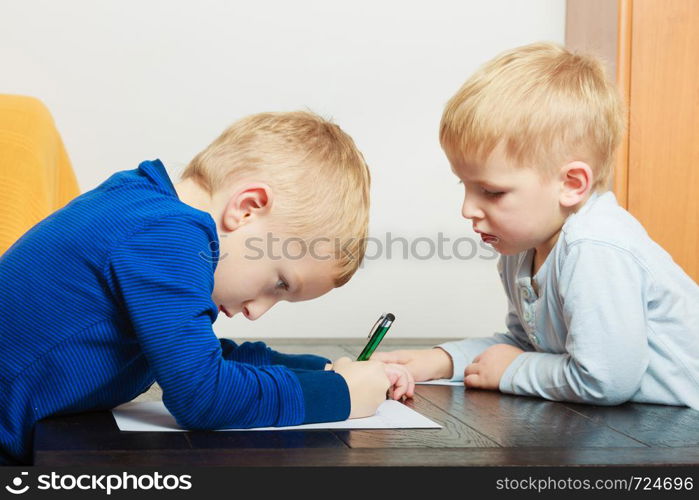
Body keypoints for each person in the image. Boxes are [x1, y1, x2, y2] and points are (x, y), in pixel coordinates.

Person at [0, 111, 414, 465]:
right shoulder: (169, 233)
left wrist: (322, 369)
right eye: (279, 283)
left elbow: (199, 358)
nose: (258, 311)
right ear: (246, 209)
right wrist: (341, 394)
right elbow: (202, 393)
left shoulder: (144, 206)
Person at [373, 42, 699, 410]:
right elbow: (526, 346)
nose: (467, 209)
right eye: (463, 185)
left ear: (572, 184)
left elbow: (607, 379)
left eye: (492, 192)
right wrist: (439, 362)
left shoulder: (594, 248)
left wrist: (513, 372)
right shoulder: (523, 248)